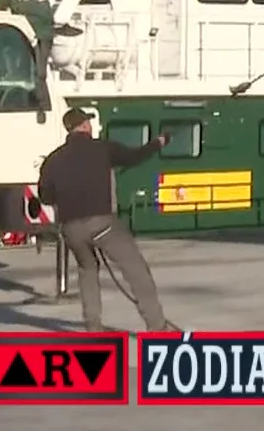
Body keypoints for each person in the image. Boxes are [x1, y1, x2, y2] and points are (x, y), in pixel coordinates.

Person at [37, 108, 180, 332]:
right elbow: (135, 156)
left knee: (87, 270)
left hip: (71, 229)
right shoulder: (103, 148)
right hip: (102, 224)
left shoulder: (53, 160)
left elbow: (45, 196)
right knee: (136, 271)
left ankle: (93, 327)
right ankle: (157, 326)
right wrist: (159, 142)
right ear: (84, 125)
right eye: (88, 122)